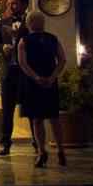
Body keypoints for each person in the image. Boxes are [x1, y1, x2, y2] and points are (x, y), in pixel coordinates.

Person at [17, 11, 68, 168]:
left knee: (39, 119)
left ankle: (43, 152)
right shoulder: (52, 39)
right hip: (46, 81)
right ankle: (58, 151)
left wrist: (37, 78)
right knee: (52, 118)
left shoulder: (24, 41)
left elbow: (22, 63)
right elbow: (62, 60)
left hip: (35, 82)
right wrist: (52, 77)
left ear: (28, 24)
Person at [0, 0, 31, 156]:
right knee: (7, 110)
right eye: (9, 3)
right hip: (8, 71)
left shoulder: (31, 22)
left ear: (24, 5)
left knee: (31, 108)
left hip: (27, 71)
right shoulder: (3, 22)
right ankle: (5, 143)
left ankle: (37, 142)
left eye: (15, 3)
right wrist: (2, 48)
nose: (11, 6)